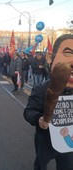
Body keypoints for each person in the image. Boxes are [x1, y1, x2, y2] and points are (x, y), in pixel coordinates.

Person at [23, 34, 73, 170]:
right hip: (45, 140)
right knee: (40, 164)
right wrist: (38, 119)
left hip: (68, 144)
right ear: (51, 58)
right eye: (68, 53)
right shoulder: (41, 89)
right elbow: (28, 111)